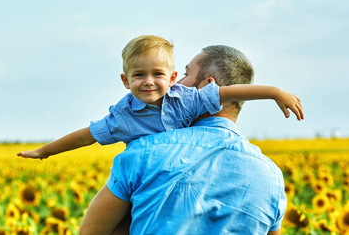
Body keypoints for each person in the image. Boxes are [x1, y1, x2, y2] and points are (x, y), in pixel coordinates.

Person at [80, 45, 301, 235]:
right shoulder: (272, 177)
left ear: (207, 86)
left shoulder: (143, 151)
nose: (173, 86)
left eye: (184, 75)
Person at [17, 36, 303, 161]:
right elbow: (85, 136)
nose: (149, 81)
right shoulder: (123, 116)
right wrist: (45, 151)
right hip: (146, 180)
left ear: (171, 77)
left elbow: (230, 93)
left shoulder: (186, 99)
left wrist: (274, 92)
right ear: (125, 81)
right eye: (139, 75)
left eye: (157, 74)